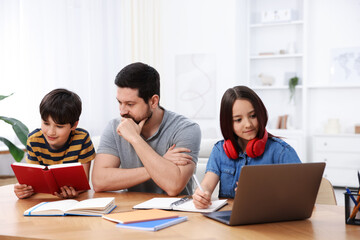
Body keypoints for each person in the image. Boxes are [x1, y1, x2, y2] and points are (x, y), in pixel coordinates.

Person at [92, 62, 201, 196]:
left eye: (130, 104)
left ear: (153, 101)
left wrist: (135, 139)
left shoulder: (186, 129)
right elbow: (99, 181)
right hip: (129, 211)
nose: (122, 111)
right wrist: (162, 162)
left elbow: (174, 186)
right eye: (119, 102)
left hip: (175, 213)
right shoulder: (115, 127)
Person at [192, 86, 301, 209]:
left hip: (270, 222)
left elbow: (301, 194)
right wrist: (201, 195)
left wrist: (266, 194)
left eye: (253, 116)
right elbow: (206, 185)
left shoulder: (281, 151)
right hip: (229, 220)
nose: (248, 124)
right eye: (238, 120)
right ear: (228, 123)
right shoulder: (219, 150)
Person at [14, 88, 96, 199]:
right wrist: (24, 190)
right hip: (44, 200)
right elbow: (34, 182)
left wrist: (74, 191)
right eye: (46, 123)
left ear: (74, 125)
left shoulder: (82, 139)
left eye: (59, 126)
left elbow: (83, 184)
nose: (51, 132)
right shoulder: (34, 140)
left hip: (75, 201)